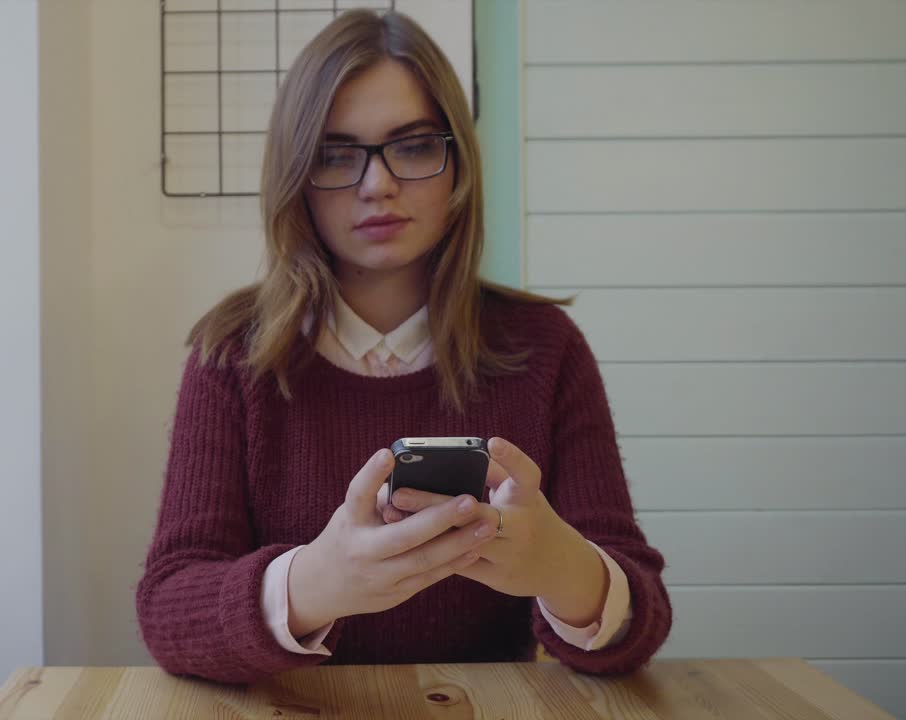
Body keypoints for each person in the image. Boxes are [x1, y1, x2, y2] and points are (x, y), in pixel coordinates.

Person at [136, 9, 671, 683]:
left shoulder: (544, 348)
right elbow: (168, 609)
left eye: (414, 146)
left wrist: (559, 566)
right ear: (296, 175)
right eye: (335, 155)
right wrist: (315, 582)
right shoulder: (234, 356)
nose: (377, 184)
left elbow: (640, 619)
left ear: (457, 167)